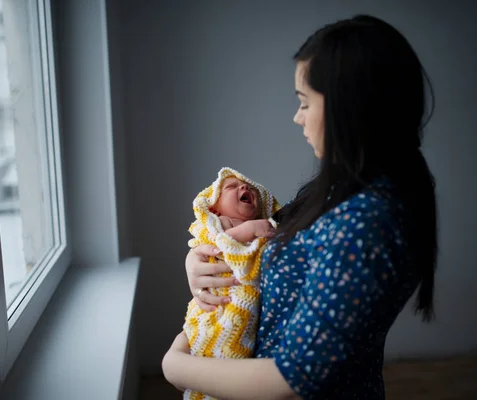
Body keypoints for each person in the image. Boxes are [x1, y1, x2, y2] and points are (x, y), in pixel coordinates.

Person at [163, 14, 438, 400]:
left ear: (350, 107)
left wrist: (176, 365)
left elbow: (292, 380)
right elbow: (262, 239)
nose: (298, 117)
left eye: (305, 103)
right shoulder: (339, 192)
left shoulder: (367, 222)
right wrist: (201, 263)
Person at [183, 167, 279, 400]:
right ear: (214, 206)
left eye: (249, 188)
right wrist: (246, 231)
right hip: (218, 307)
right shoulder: (220, 223)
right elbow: (221, 246)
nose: (244, 187)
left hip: (249, 311)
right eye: (231, 187)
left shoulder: (264, 224)